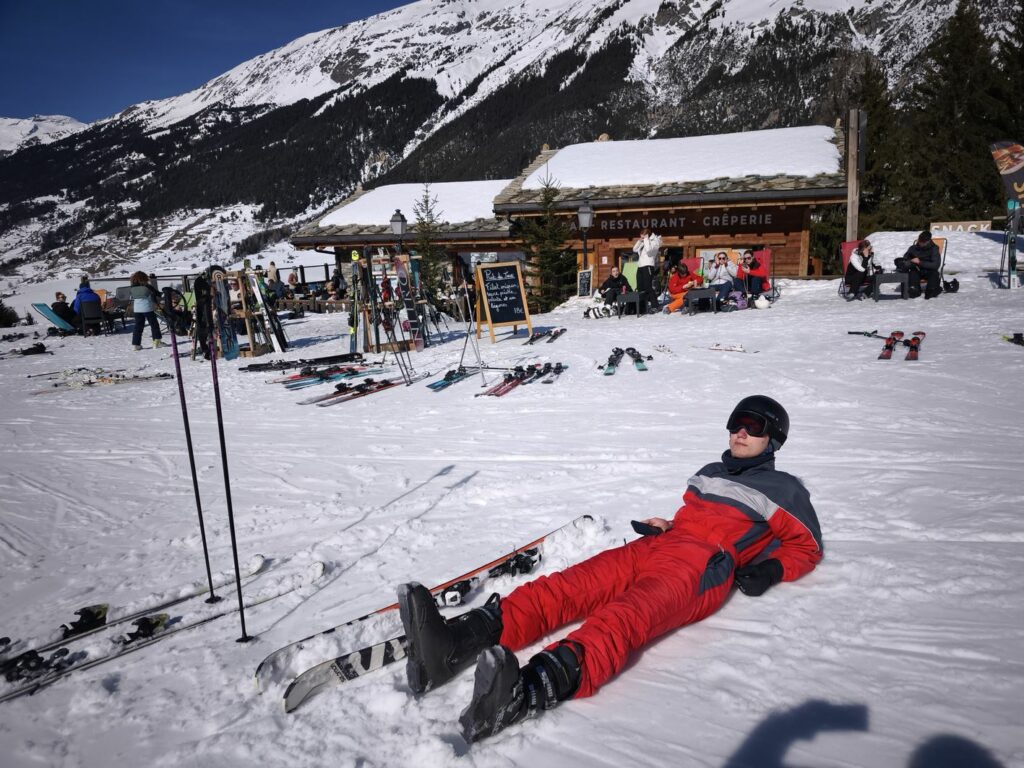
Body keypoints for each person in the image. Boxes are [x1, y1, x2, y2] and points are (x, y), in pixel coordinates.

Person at [398, 395, 823, 744]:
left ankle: (524, 693)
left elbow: (807, 547)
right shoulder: (710, 472)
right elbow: (698, 517)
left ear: (774, 440)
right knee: (567, 586)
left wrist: (771, 570)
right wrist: (666, 525)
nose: (741, 432)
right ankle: (452, 645)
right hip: (659, 545)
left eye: (754, 426)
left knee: (622, 618)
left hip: (701, 567)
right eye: (736, 422)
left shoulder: (784, 489)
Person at [896, 231, 941, 299]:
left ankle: (932, 289)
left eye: (923, 242)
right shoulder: (913, 248)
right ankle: (914, 290)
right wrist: (909, 261)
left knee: (934, 274)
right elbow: (905, 259)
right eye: (920, 241)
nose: (920, 243)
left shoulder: (934, 249)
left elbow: (935, 265)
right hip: (916, 270)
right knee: (913, 273)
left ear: (928, 241)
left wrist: (920, 262)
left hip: (929, 270)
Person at [129, 271, 164, 350]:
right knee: (154, 325)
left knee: (138, 327)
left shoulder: (132, 288)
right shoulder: (147, 286)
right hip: (147, 308)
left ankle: (136, 344)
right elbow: (158, 294)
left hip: (137, 309)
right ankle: (157, 342)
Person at [632, 227, 662, 312]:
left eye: (643, 235)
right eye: (641, 235)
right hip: (640, 266)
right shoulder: (644, 241)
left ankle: (655, 306)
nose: (641, 236)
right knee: (640, 287)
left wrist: (646, 240)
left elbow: (649, 251)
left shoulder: (655, 241)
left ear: (647, 234)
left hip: (648, 265)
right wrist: (640, 241)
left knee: (648, 286)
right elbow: (634, 249)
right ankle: (642, 307)